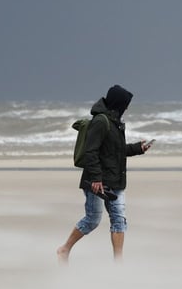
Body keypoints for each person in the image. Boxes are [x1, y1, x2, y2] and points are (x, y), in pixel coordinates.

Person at [57, 85, 153, 263]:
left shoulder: (116, 122)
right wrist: (95, 178)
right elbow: (90, 151)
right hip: (98, 181)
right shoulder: (101, 121)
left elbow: (115, 150)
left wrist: (138, 148)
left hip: (115, 180)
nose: (128, 107)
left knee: (119, 220)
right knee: (92, 220)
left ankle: (119, 263)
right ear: (119, 103)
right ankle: (64, 249)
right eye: (126, 104)